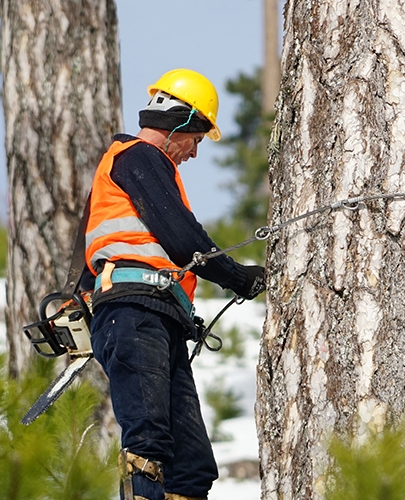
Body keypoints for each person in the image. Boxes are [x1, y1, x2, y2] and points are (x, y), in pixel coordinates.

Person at [80, 68, 266, 500]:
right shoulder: (139, 157)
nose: (194, 154)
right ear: (181, 123)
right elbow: (185, 241)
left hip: (154, 317)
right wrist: (239, 278)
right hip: (133, 315)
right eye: (196, 140)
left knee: (192, 466)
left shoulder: (127, 170)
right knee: (148, 444)